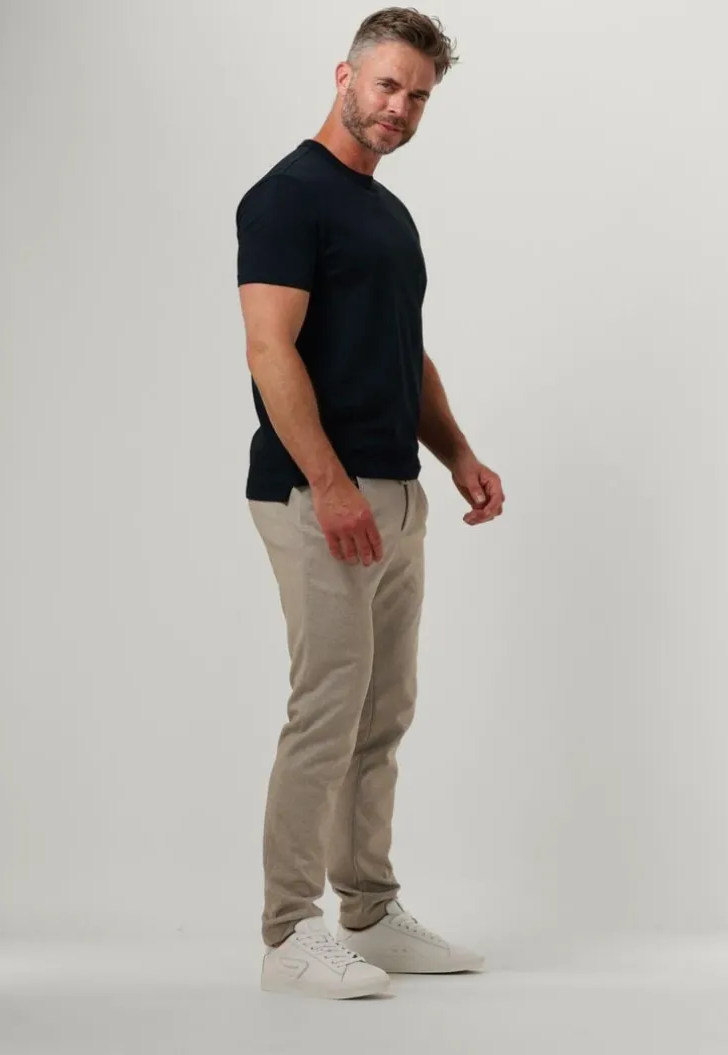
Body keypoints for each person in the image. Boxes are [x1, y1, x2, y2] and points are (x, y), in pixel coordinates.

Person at [235, 7, 505, 1000]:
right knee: (326, 711)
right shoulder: (285, 197)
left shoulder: (388, 215)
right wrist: (332, 483)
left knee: (383, 712)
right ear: (344, 75)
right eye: (388, 85)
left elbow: (406, 350)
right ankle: (288, 932)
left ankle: (370, 909)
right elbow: (270, 349)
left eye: (419, 96)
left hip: (396, 489)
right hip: (317, 494)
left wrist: (457, 452)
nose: (400, 108)